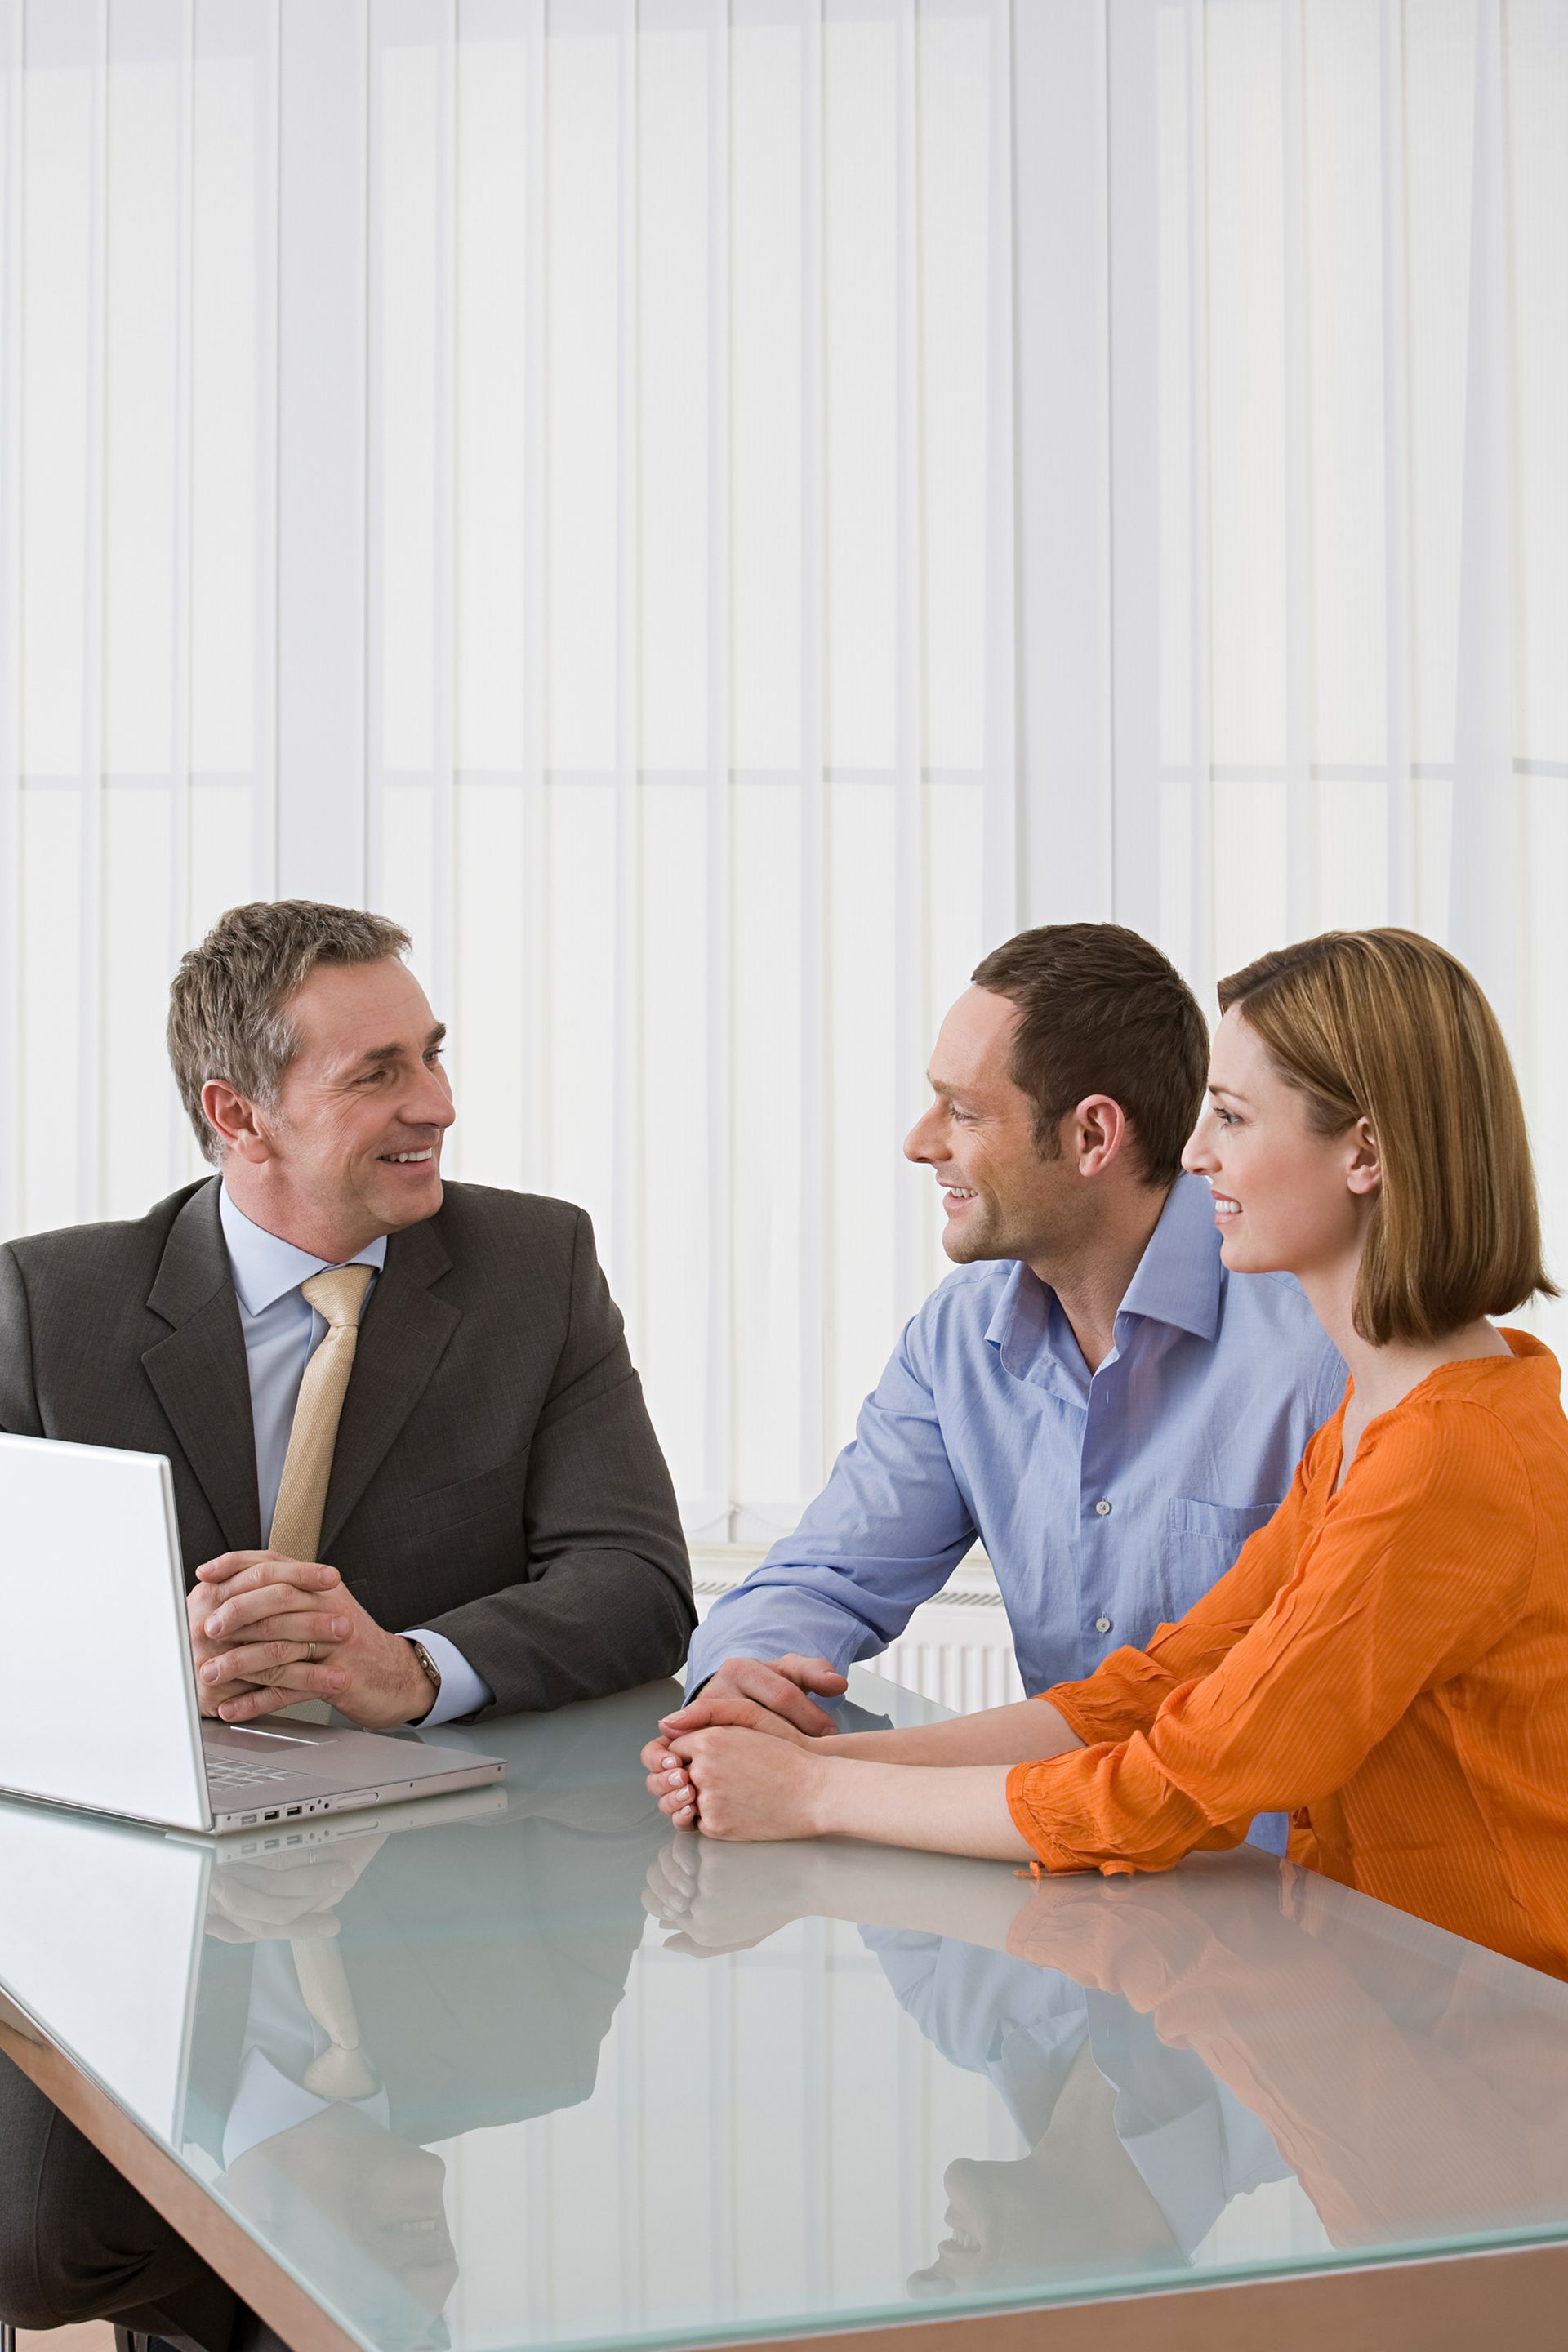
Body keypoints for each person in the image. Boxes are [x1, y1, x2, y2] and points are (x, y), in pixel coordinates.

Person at [0, 898, 693, 2352]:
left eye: (431, 1056)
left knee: (370, 2298)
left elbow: (632, 1578)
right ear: (236, 1112)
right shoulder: (49, 1303)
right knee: (62, 2250)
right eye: (377, 1072)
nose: (435, 1104)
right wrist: (130, 1657)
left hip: (441, 1924)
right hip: (140, 1935)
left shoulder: (533, 1271)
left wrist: (410, 1670)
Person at [647, 929, 1568, 1981]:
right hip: (1347, 1996)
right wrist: (810, 1757)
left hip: (1488, 2042)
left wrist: (814, 1795)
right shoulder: (1376, 1424)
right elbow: (1151, 1689)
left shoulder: (1444, 1447)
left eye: (1229, 1118)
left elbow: (1179, 1777)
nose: (1194, 1153)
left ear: (1364, 1153)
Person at [673, 926, 1345, 1829]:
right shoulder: (958, 1339)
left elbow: (1274, 1708)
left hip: (1288, 1913)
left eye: (961, 1111)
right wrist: (743, 1686)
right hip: (1069, 1875)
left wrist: (823, 1782)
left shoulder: (1324, 1349)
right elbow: (830, 1573)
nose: (919, 1143)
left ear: (1092, 1135)